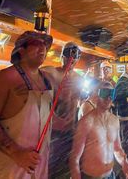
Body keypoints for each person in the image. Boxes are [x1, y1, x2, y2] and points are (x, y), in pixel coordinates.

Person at [0, 31, 53, 179]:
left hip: (40, 167)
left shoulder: (47, 81)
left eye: (45, 45)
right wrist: (16, 153)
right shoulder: (6, 78)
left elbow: (44, 119)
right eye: (36, 44)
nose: (43, 49)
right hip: (11, 168)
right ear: (21, 50)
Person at [70, 82, 128, 179]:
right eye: (104, 93)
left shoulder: (115, 120)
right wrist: (76, 175)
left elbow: (117, 149)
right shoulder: (86, 122)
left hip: (110, 175)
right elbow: (75, 157)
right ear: (96, 95)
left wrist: (124, 162)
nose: (108, 98)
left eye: (111, 94)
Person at [43, 42, 82, 179]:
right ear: (61, 56)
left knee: (66, 168)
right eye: (67, 54)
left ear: (78, 59)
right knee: (50, 169)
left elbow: (77, 102)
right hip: (52, 132)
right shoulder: (51, 73)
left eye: (75, 55)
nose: (70, 58)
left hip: (70, 131)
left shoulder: (78, 79)